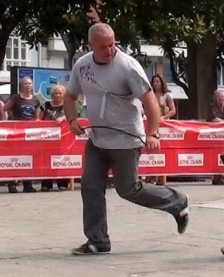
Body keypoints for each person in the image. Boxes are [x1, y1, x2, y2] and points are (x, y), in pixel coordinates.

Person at [64, 23, 189, 256]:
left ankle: (177, 201)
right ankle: (97, 241)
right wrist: (72, 120)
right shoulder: (82, 66)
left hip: (126, 139)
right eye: (103, 47)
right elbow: (70, 97)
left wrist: (153, 133)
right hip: (98, 139)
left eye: (112, 44)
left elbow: (150, 101)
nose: (110, 50)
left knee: (128, 189)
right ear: (90, 45)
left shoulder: (127, 66)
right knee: (90, 186)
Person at [40, 85, 69, 192]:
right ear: (52, 95)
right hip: (47, 138)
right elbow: (38, 118)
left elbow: (74, 116)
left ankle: (62, 183)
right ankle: (46, 184)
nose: (58, 95)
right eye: (56, 93)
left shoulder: (67, 105)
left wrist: (63, 118)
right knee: (46, 160)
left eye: (60, 93)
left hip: (63, 139)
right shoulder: (45, 105)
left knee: (61, 160)